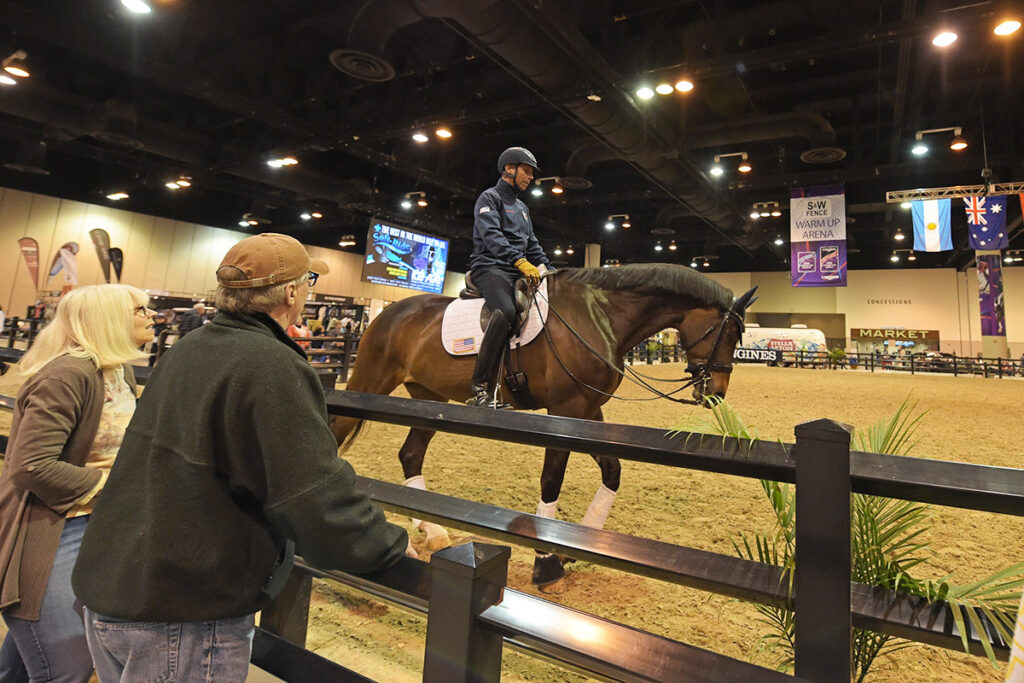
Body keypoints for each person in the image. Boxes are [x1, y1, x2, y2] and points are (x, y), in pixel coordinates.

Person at [71, 233, 410, 682]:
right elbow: (310, 495)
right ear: (291, 292)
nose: (307, 290)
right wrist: (386, 544)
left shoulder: (189, 348)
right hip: (183, 613)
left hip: (118, 587)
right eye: (308, 281)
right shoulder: (271, 364)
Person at [0, 284, 155, 683]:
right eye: (140, 309)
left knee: (29, 659)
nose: (152, 315)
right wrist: (110, 486)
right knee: (66, 666)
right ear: (109, 319)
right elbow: (30, 465)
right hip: (50, 527)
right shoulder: (68, 374)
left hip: (89, 523)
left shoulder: (116, 369)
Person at [465, 146, 552, 407]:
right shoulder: (488, 198)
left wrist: (547, 267)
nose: (530, 177)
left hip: (518, 268)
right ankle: (479, 387)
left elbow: (532, 243)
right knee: (505, 310)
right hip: (490, 267)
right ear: (508, 169)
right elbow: (492, 236)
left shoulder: (523, 208)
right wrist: (519, 260)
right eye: (526, 171)